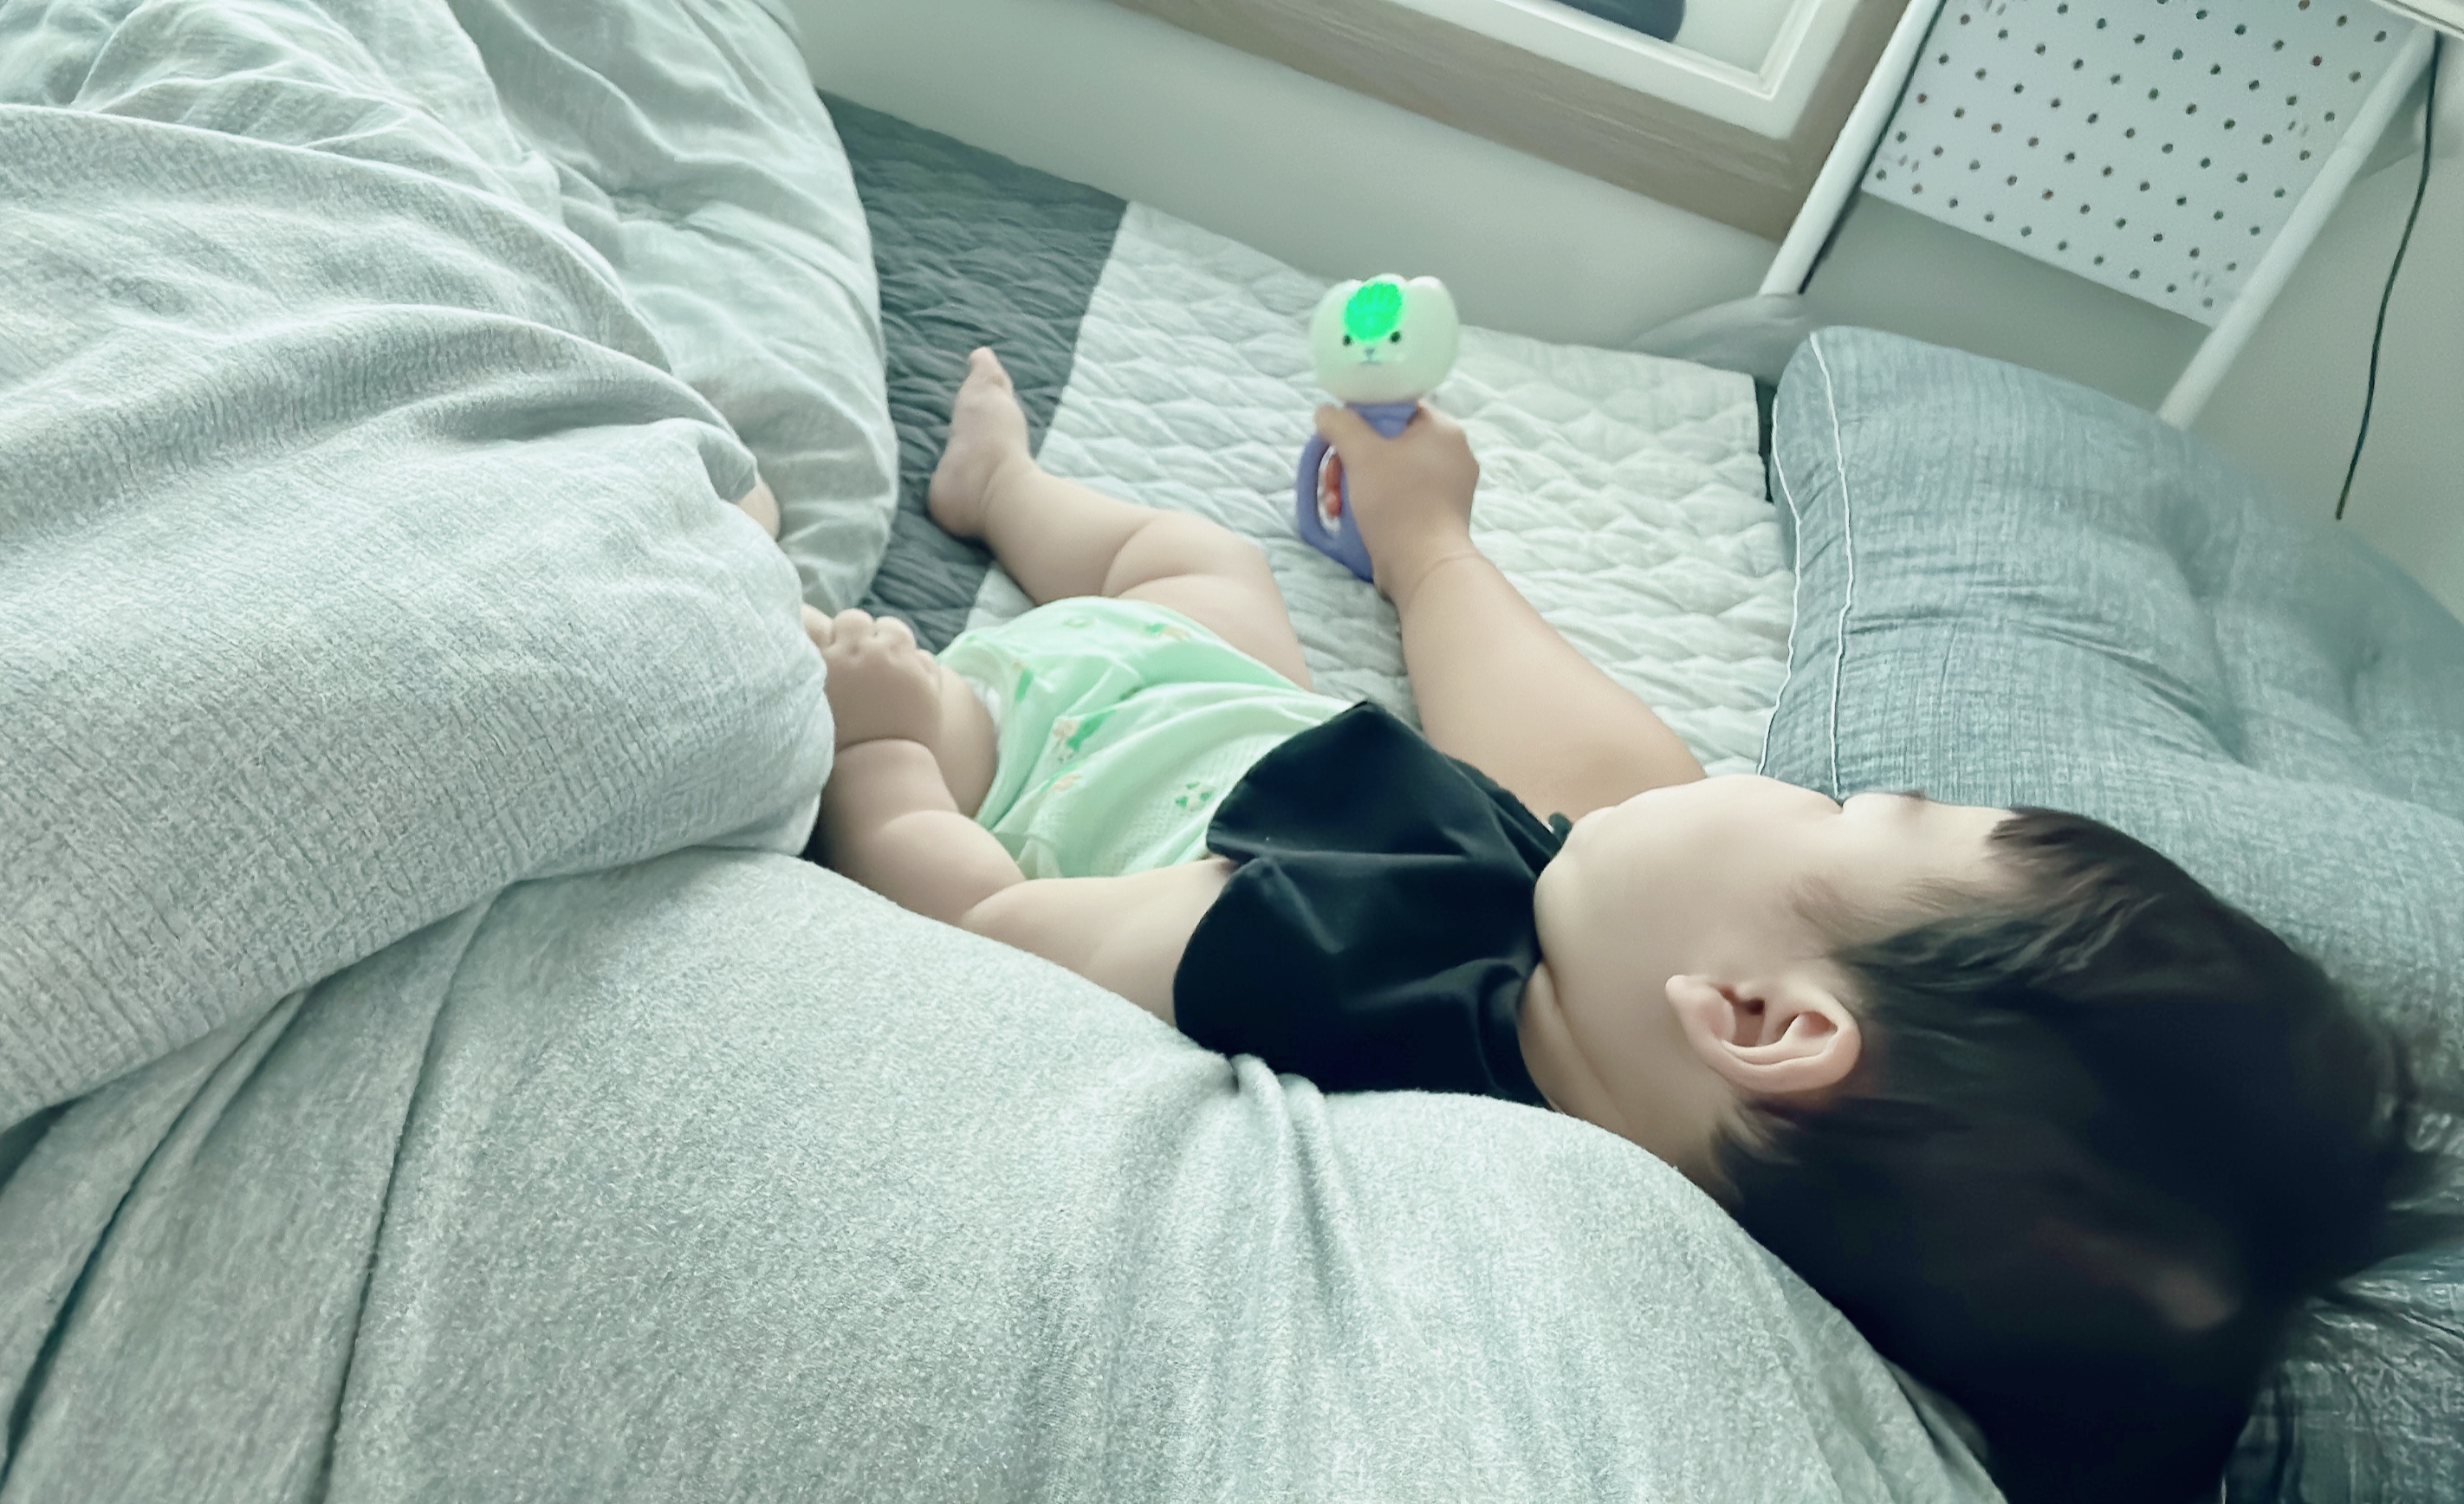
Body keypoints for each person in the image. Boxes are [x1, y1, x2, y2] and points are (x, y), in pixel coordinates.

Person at [801, 347, 2448, 1503]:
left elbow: (990, 924)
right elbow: (1605, 779)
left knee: (1158, 583)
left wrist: (885, 754)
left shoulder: (1324, 959)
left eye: (1850, 812)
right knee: (1220, 579)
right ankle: (1005, 487)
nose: (1785, 785)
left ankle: (988, 512)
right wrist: (1424, 536)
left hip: (1049, 759)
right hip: (1252, 728)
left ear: (1764, 1021)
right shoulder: (1624, 1016)